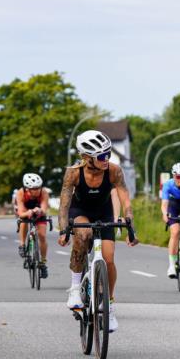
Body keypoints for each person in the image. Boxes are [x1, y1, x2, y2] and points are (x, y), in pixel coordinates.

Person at [58, 130, 138, 332]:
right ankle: (75, 288)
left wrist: (130, 224)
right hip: (80, 211)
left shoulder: (114, 171)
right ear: (86, 157)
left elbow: (125, 199)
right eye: (102, 156)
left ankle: (109, 307)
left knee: (109, 259)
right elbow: (64, 205)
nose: (106, 159)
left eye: (108, 154)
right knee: (83, 234)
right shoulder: (74, 172)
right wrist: (63, 230)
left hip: (104, 212)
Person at [15, 173, 50, 278]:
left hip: (39, 213)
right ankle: (21, 244)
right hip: (26, 211)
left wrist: (39, 210)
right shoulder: (20, 193)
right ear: (27, 189)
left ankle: (43, 263)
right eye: (34, 189)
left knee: (42, 236)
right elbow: (20, 213)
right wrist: (28, 212)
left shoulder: (43, 193)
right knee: (23, 221)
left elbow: (44, 208)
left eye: (38, 188)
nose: (37, 190)